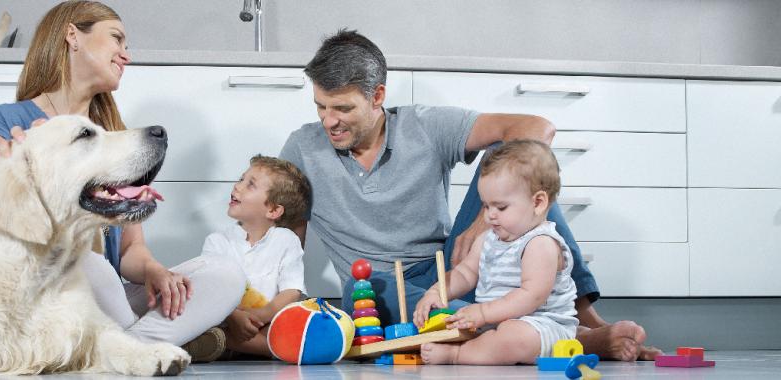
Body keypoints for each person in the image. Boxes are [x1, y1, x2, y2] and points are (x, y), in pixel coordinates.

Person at [279, 29, 660, 361]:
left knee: (522, 172)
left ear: (377, 96)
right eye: (321, 107)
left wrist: (481, 224)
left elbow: (537, 127)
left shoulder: (424, 125)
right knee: (366, 291)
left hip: (451, 268)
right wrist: (281, 308)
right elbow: (285, 239)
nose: (329, 121)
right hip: (378, 286)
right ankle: (558, 339)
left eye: (343, 108)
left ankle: (584, 323)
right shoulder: (302, 147)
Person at [0, 0, 245, 358]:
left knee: (225, 274)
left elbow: (130, 250)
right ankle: (153, 342)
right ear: (72, 36)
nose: (125, 55)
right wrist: (18, 156)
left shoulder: (113, 137)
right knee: (80, 259)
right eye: (117, 39)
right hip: (46, 294)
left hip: (107, 296)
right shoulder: (9, 118)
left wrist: (154, 271)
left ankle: (121, 347)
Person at [412, 140, 578, 364]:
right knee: (455, 323)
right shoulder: (488, 239)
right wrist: (436, 293)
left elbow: (531, 296)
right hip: (494, 323)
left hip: (542, 327)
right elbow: (464, 273)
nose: (490, 215)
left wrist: (482, 313)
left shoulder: (540, 243)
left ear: (538, 203)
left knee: (514, 335)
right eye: (485, 206)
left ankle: (458, 355)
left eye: (500, 207)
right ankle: (478, 347)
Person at [198, 155, 311, 360]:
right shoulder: (217, 241)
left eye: (250, 185)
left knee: (295, 330)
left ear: (274, 210)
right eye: (241, 179)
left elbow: (291, 291)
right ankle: (221, 340)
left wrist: (262, 315)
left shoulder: (287, 241)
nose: (237, 186)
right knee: (195, 308)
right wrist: (234, 317)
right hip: (226, 320)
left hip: (267, 325)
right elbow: (209, 288)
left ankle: (219, 342)